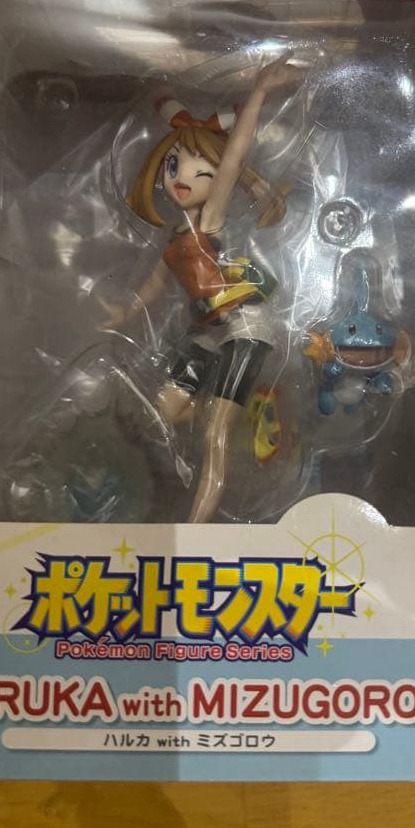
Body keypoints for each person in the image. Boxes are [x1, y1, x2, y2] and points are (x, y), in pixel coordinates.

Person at [100, 53, 299, 522]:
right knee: (164, 410)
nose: (182, 179)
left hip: (245, 326)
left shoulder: (211, 220)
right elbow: (153, 283)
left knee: (214, 437)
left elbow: (234, 156)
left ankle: (197, 526)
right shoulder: (175, 238)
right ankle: (229, 405)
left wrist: (259, 93)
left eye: (198, 170)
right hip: (209, 330)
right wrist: (124, 313)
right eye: (174, 165)